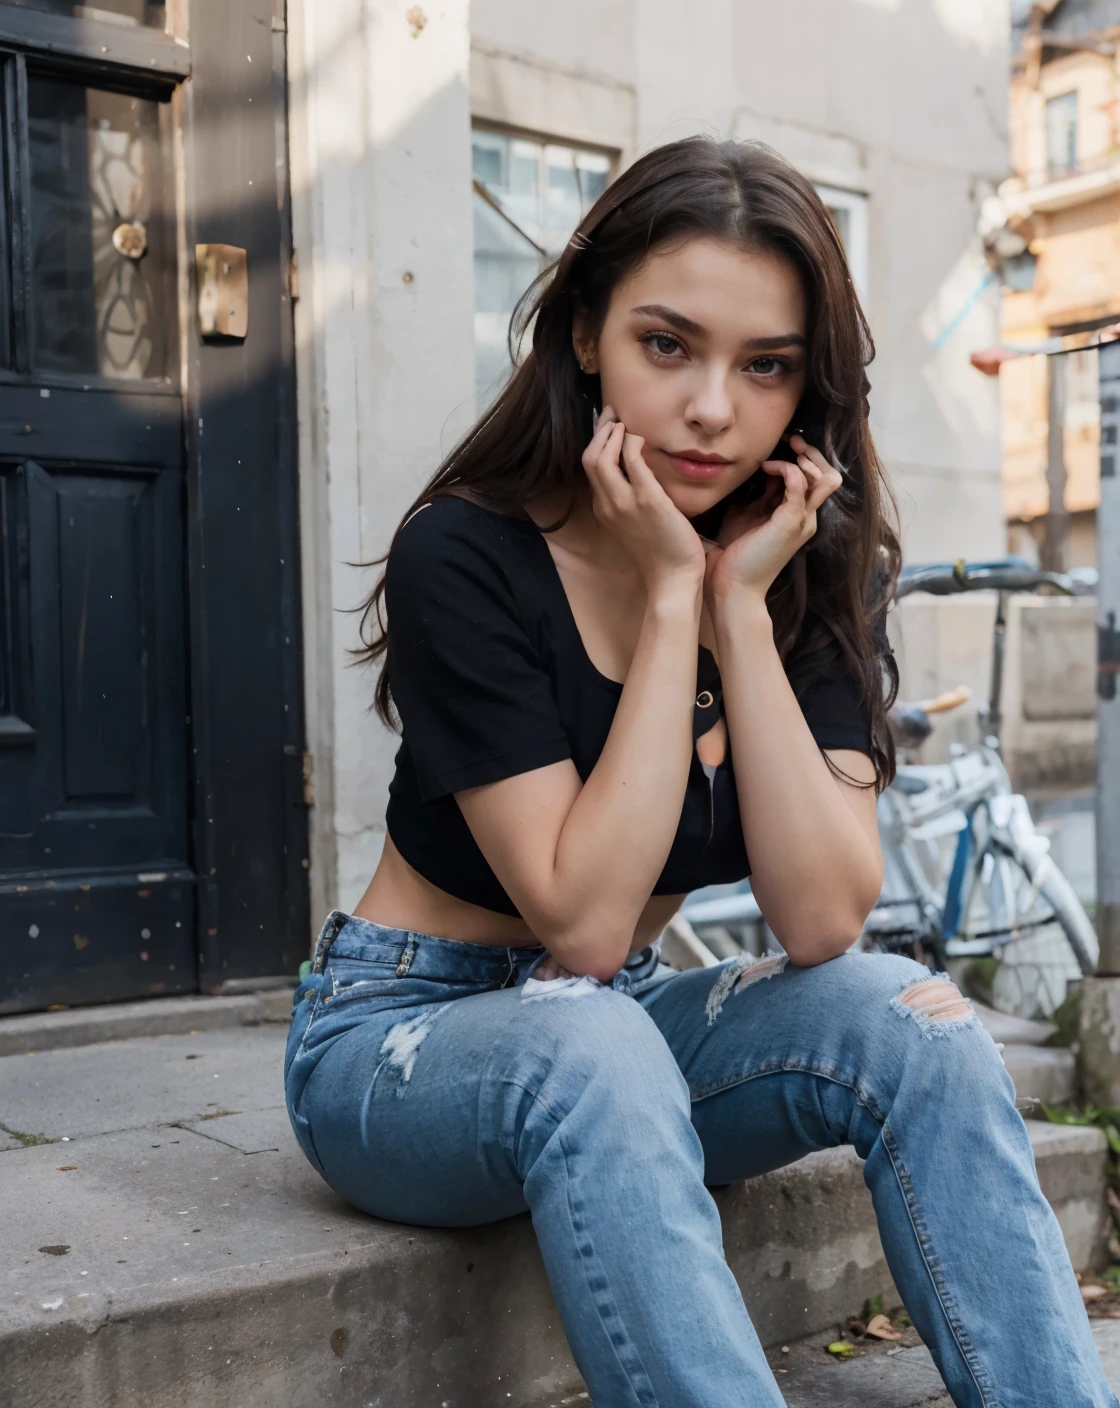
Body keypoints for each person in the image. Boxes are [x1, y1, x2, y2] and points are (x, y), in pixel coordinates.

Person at [285, 137, 1113, 1407]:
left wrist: (737, 603)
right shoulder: (465, 555)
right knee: (595, 1038)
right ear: (582, 335)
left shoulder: (810, 570)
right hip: (401, 1038)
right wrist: (671, 597)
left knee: (920, 1024)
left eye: (766, 366)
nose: (712, 409)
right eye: (666, 345)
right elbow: (584, 921)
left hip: (611, 1025)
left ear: (805, 389)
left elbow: (825, 915)